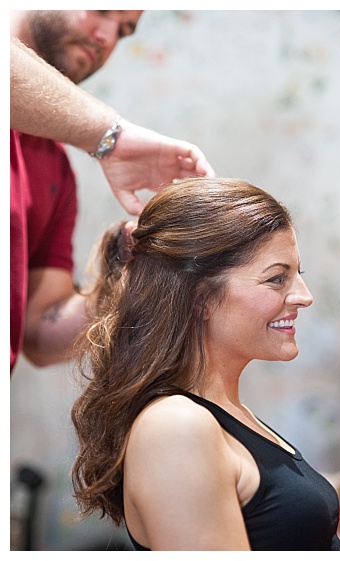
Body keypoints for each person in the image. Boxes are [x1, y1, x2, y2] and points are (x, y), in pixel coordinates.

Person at [70, 178, 340, 550]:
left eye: (298, 275)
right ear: (200, 298)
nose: (304, 296)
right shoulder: (175, 427)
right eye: (277, 278)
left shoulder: (229, 414)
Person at [10, 10, 214, 371]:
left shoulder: (55, 170)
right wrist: (112, 138)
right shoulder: (96, 139)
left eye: (123, 30)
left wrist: (123, 277)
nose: (107, 37)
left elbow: (39, 337)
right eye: (103, 9)